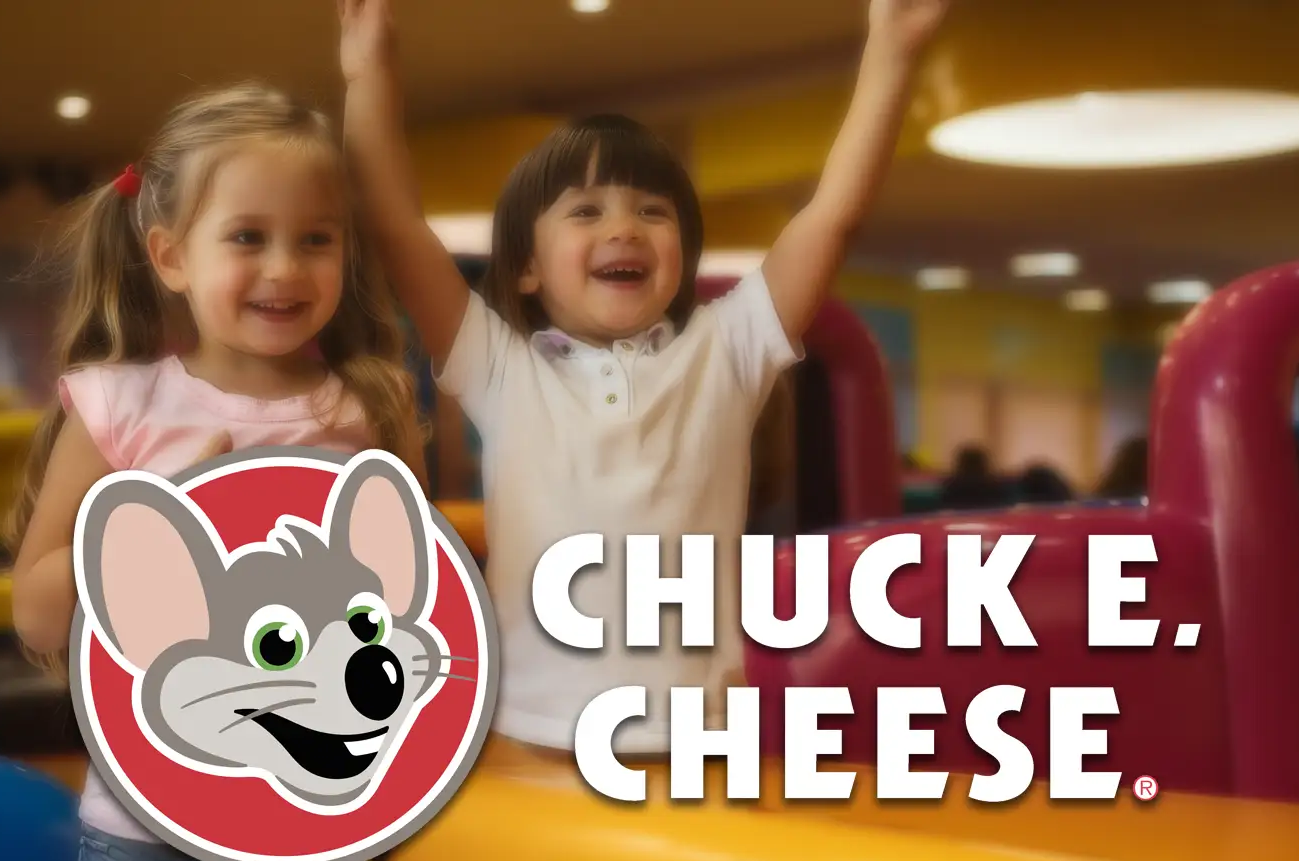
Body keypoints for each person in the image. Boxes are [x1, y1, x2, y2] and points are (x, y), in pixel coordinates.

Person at [337, 0, 950, 760]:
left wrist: (890, 53)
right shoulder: (504, 368)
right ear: (525, 268)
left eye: (652, 212)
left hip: (699, 738)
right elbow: (397, 227)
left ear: (684, 261)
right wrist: (370, 74)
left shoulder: (727, 351)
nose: (623, 228)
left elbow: (830, 221)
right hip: (528, 731)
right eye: (586, 211)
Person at [6, 81, 426, 861]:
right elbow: (36, 610)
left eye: (316, 239)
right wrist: (149, 528)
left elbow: (419, 606)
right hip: (139, 845)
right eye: (247, 237)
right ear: (170, 257)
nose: (284, 267)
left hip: (311, 847)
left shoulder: (365, 412)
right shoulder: (120, 406)